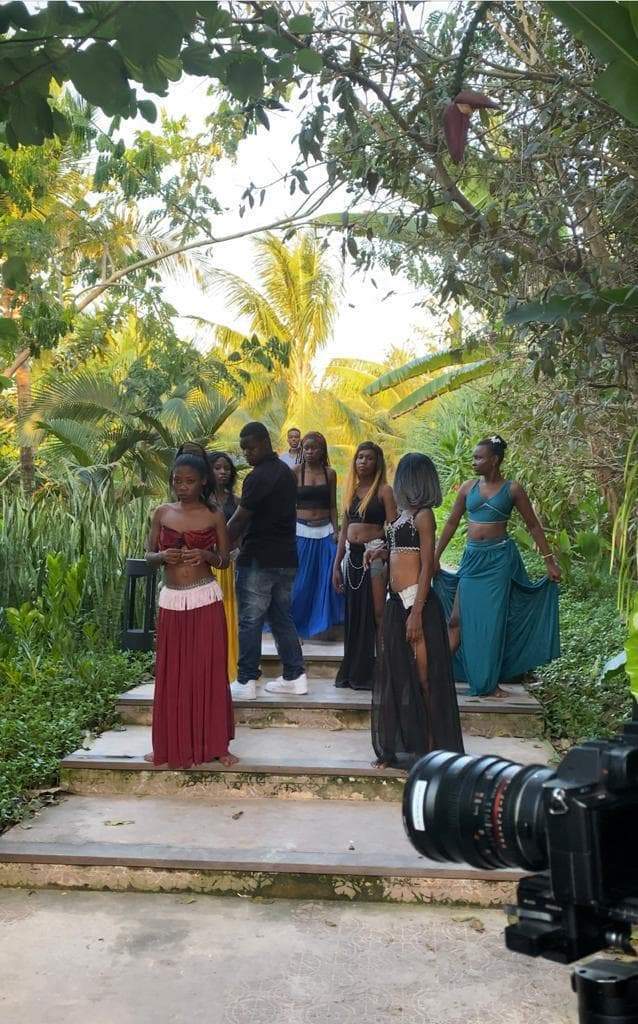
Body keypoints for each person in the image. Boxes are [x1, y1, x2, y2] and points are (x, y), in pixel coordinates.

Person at [433, 434, 561, 698]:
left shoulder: (512, 489)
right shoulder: (467, 487)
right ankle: (433, 676)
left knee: (493, 624)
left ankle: (490, 684)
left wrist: (549, 561)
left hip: (498, 561)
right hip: (472, 559)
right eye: (474, 457)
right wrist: (436, 556)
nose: (473, 462)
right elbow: (451, 523)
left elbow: (533, 525)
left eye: (479, 457)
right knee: (456, 619)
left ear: (494, 460)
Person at [368, 453, 464, 769]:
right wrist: (382, 552)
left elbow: (426, 568)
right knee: (397, 676)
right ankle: (399, 748)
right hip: (396, 602)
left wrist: (417, 613)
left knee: (425, 680)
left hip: (416, 604)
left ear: (413, 481)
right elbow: (399, 553)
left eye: (402, 476)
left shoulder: (424, 517)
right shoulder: (400, 517)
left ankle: (433, 749)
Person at [145, 449, 236, 768]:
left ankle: (217, 745)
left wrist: (206, 556)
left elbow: (224, 560)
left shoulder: (214, 515)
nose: (182, 486)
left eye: (189, 481)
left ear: (203, 482)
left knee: (208, 670)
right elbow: (148, 555)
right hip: (172, 600)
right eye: (177, 481)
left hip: (205, 599)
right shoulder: (161, 512)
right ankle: (168, 743)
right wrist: (161, 556)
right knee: (173, 672)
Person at [227, 421, 306, 698]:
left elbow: (239, 520)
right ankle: (295, 676)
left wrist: (215, 545)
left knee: (250, 620)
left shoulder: (257, 477)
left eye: (250, 447)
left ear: (264, 442)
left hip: (259, 558)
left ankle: (247, 680)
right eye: (243, 449)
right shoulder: (286, 473)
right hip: (287, 557)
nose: (246, 453)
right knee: (282, 617)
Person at [332, 441, 396, 690]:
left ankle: (382, 669)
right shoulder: (352, 490)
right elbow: (344, 531)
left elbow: (393, 528)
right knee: (355, 614)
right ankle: (354, 670)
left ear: (377, 462)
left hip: (375, 556)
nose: (363, 462)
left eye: (369, 458)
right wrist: (336, 565)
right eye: (360, 457)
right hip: (352, 557)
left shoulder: (384, 491)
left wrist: (385, 551)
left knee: (376, 614)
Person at [291, 431, 344, 638]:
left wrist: (336, 531)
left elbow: (332, 505)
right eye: (307, 448)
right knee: (301, 582)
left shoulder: (330, 473)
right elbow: (289, 505)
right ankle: (296, 626)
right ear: (302, 450)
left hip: (325, 532)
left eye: (315, 448)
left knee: (327, 579)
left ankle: (323, 626)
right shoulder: (296, 472)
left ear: (322, 451)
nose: (310, 452)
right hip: (301, 531)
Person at [207, 450, 239, 682]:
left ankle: (230, 666)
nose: (222, 472)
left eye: (226, 468)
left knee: (229, 611)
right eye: (217, 468)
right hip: (206, 563)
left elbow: (243, 531)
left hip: (231, 563)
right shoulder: (201, 501)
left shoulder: (236, 501)